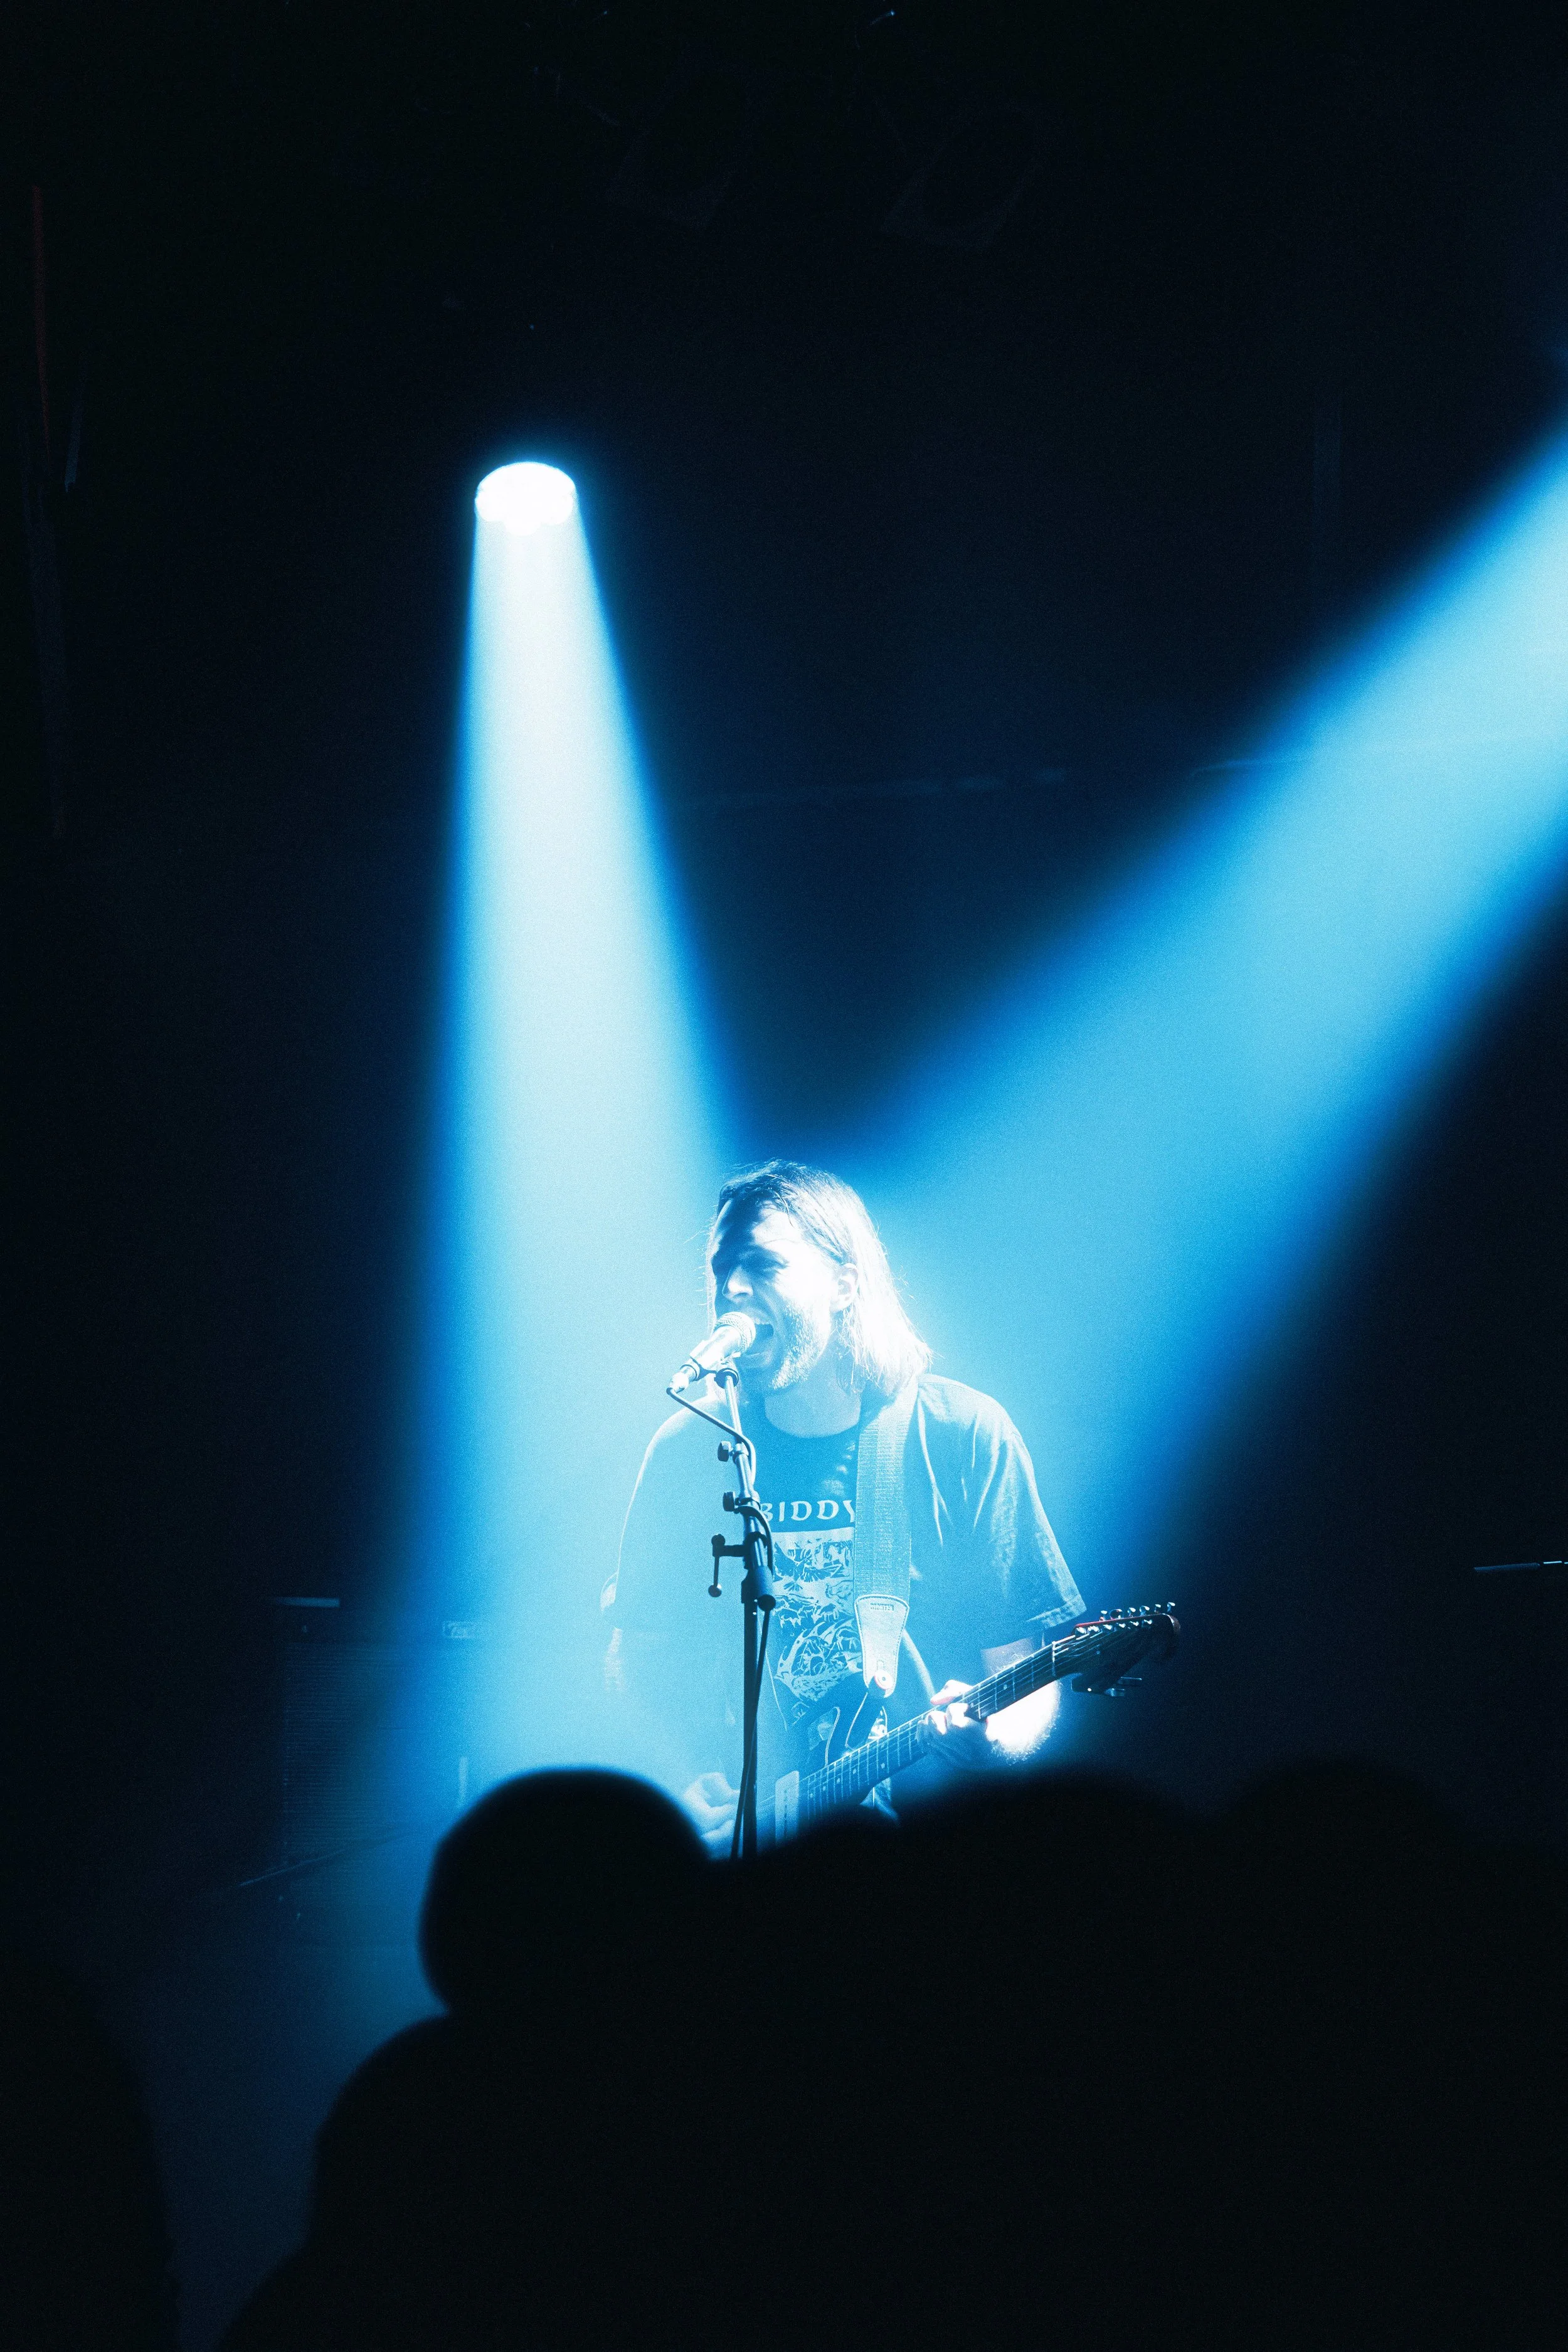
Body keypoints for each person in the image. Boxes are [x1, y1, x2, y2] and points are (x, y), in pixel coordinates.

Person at [605, 1161, 1084, 1851]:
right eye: (720, 1269)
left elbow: (1026, 1681)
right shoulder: (691, 1444)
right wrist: (680, 1776)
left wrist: (995, 1738)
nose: (733, 1290)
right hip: (748, 1846)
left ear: (843, 1283)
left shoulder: (960, 1434)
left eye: (762, 1264)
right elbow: (639, 1654)